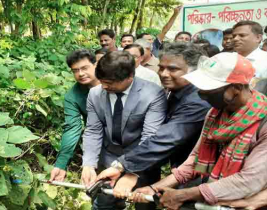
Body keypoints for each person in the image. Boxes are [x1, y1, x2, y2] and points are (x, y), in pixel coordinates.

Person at [130, 52, 267, 210]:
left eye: (209, 88)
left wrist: (184, 195)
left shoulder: (263, 122)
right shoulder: (215, 113)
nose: (201, 93)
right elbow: (196, 159)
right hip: (213, 197)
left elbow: (249, 181)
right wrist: (155, 188)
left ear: (236, 88)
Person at [96, 42, 211, 199]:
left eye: (173, 69)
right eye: (162, 67)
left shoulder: (197, 100)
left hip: (200, 173)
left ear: (193, 70)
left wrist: (124, 167)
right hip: (182, 168)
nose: (163, 74)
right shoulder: (174, 92)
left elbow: (166, 138)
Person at [81, 51, 167, 210]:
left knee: (144, 204)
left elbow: (150, 137)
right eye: (102, 81)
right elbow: (93, 130)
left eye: (110, 82)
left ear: (130, 77)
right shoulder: (95, 93)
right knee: (104, 205)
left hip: (143, 159)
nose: (104, 86)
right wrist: (88, 164)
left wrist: (133, 173)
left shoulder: (153, 94)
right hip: (109, 158)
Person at [49, 49, 100, 182]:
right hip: (97, 144)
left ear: (96, 65)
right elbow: (72, 128)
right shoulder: (73, 96)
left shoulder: (113, 83)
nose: (81, 74)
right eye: (75, 70)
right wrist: (61, 164)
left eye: (84, 68)